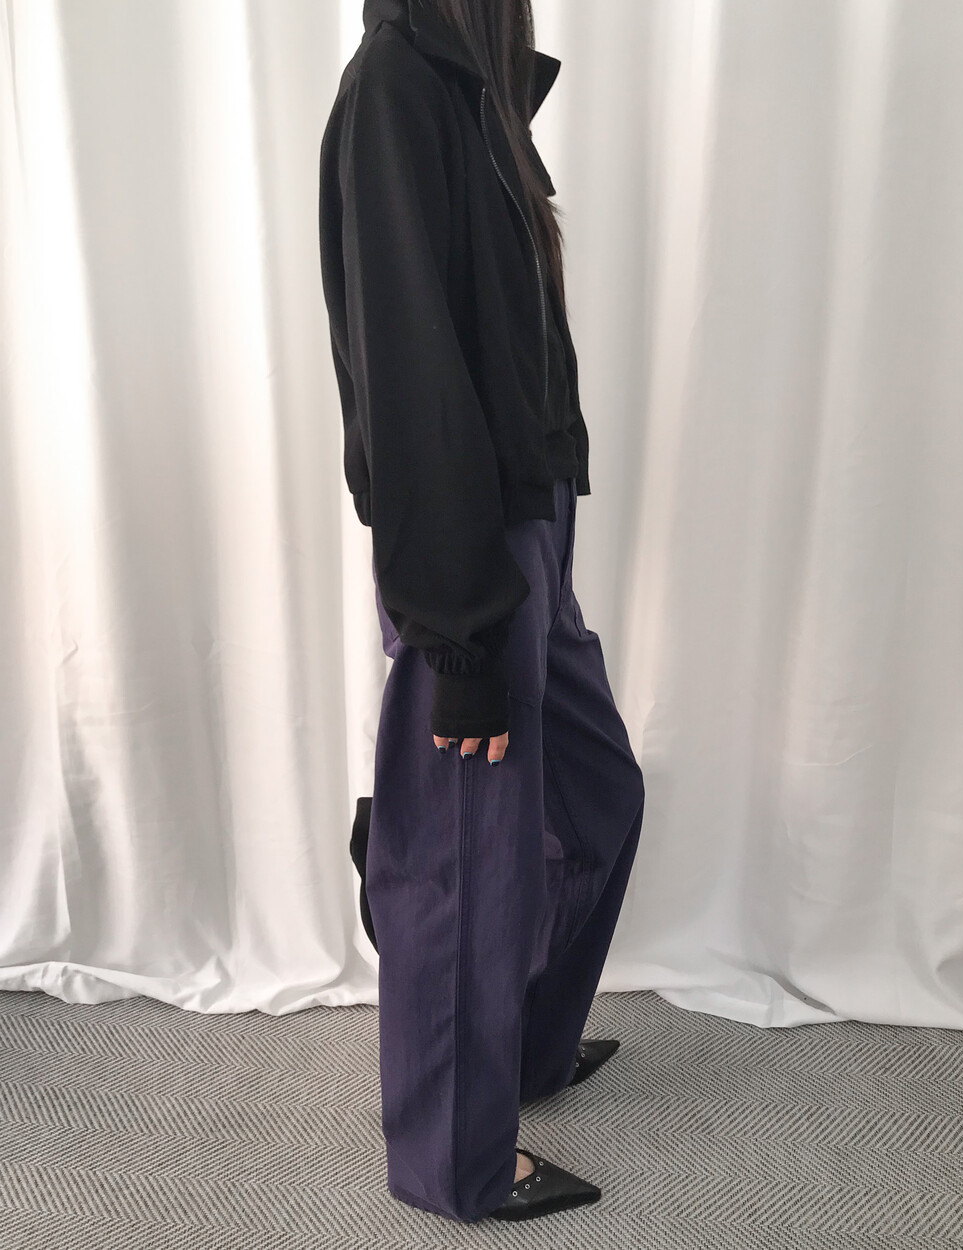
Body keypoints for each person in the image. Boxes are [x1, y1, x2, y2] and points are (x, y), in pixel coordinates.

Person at [318, 0, 645, 1224]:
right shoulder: (396, 88)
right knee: (464, 854)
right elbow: (406, 372)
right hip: (468, 540)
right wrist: (455, 630)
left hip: (529, 517)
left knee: (597, 798)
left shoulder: (475, 88)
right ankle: (454, 1157)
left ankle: (521, 1043)